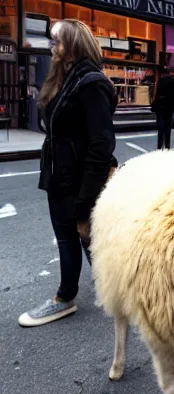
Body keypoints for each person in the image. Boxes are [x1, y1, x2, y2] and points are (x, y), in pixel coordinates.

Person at [19, 19, 117, 327]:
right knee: (68, 239)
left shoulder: (91, 84)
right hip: (58, 176)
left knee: (89, 238)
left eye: (57, 42)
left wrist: (86, 201)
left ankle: (116, 293)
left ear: (72, 46)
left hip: (79, 181)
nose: (53, 48)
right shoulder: (63, 78)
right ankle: (72, 294)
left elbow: (101, 146)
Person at [151, 70, 174, 149]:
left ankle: (159, 146)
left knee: (160, 129)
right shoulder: (173, 81)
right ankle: (167, 146)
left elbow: (157, 94)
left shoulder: (161, 80)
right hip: (169, 106)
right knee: (168, 128)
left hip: (160, 106)